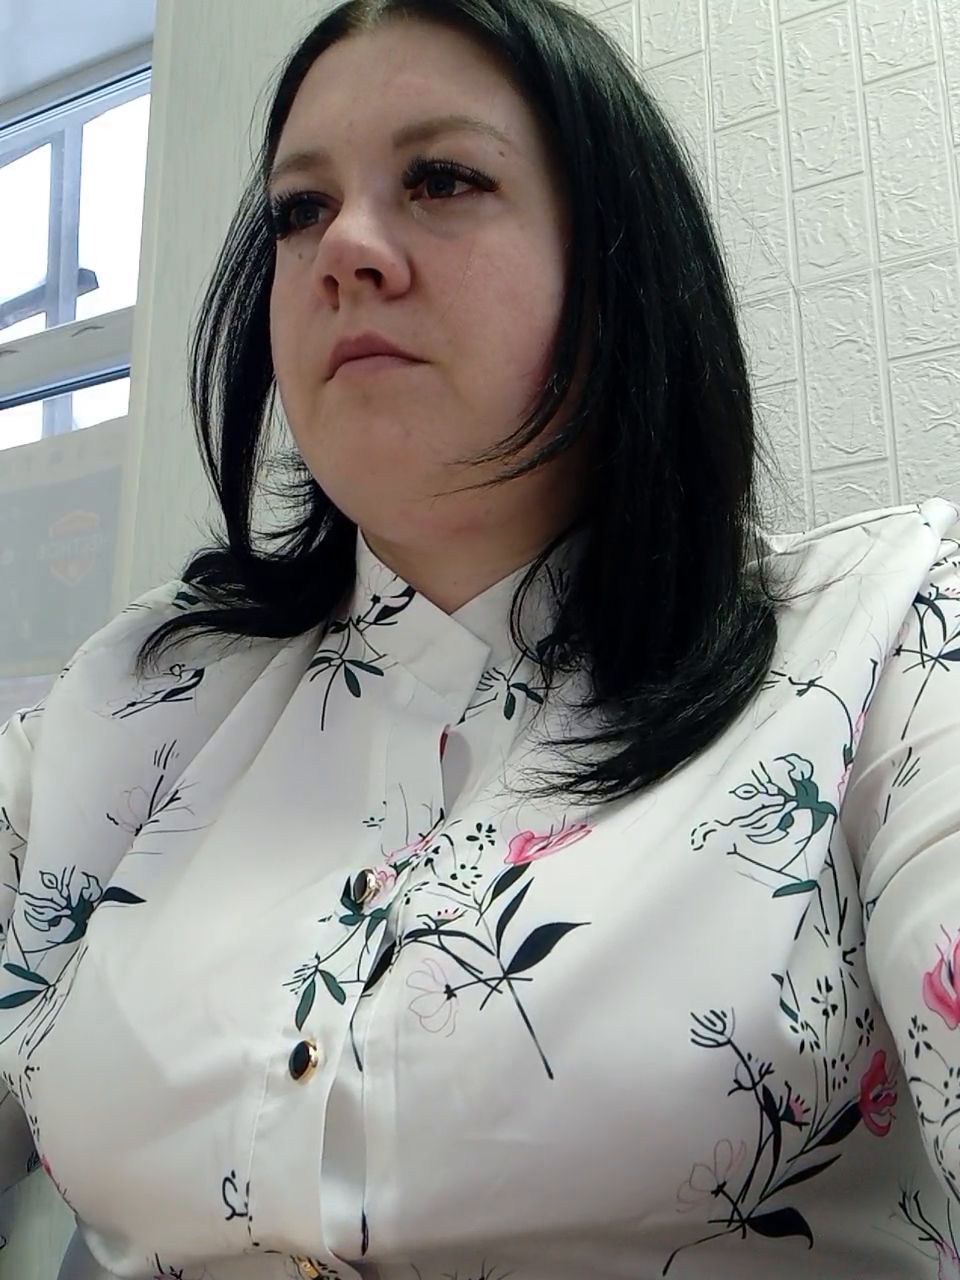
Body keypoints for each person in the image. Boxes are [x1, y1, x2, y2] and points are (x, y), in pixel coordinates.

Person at [0, 0, 958, 1275]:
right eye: (300, 207)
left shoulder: (889, 645)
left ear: (621, 268)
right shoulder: (129, 702)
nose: (345, 245)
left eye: (443, 179)